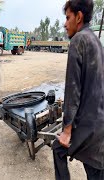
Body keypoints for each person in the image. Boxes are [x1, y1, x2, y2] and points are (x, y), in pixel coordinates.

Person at [53, 0, 104, 179]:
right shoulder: (96, 41)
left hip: (90, 131)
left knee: (58, 148)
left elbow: (72, 90)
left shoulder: (78, 40)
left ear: (79, 17)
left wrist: (67, 131)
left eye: (68, 18)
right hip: (99, 126)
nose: (65, 24)